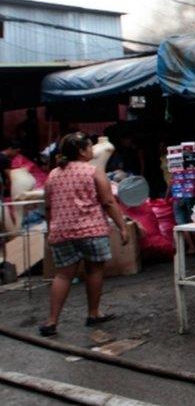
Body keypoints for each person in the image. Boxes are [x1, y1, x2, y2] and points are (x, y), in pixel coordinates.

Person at [39, 132, 129, 337]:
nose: (91, 150)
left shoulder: (53, 174)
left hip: (62, 231)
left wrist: (51, 228)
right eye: (89, 147)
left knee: (62, 275)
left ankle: (52, 321)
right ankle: (93, 313)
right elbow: (108, 202)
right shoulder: (93, 171)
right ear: (81, 151)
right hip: (91, 231)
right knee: (94, 271)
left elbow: (47, 207)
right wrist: (122, 227)